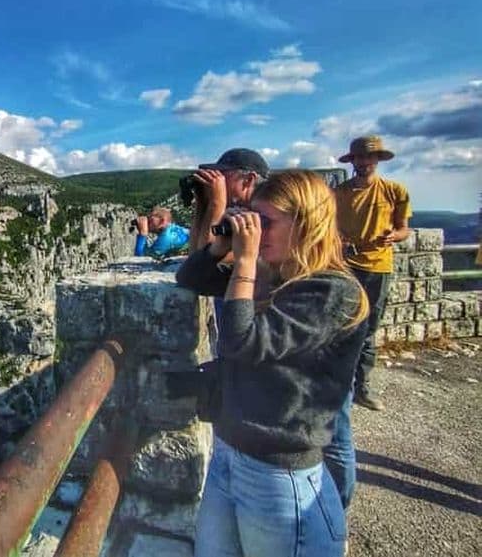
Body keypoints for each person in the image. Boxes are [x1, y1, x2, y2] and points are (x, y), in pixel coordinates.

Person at [176, 170, 369, 557]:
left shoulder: (333, 291)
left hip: (280, 475)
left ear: (306, 224)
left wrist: (245, 262)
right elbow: (190, 278)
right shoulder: (273, 276)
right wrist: (220, 247)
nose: (256, 231)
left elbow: (240, 343)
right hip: (229, 456)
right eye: (253, 219)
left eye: (266, 222)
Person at [334, 136, 412, 411]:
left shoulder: (394, 191)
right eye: (360, 158)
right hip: (345, 265)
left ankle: (362, 388)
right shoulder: (339, 193)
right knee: (340, 325)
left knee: (368, 329)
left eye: (370, 158)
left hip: (378, 267)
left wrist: (395, 236)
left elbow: (403, 228)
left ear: (378, 160)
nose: (365, 163)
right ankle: (338, 385)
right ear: (353, 160)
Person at [188, 148, 270, 250]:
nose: (216, 180)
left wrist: (217, 203)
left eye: (222, 174)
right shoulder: (235, 211)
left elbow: (205, 259)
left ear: (248, 180)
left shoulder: (265, 216)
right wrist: (202, 203)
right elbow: (193, 255)